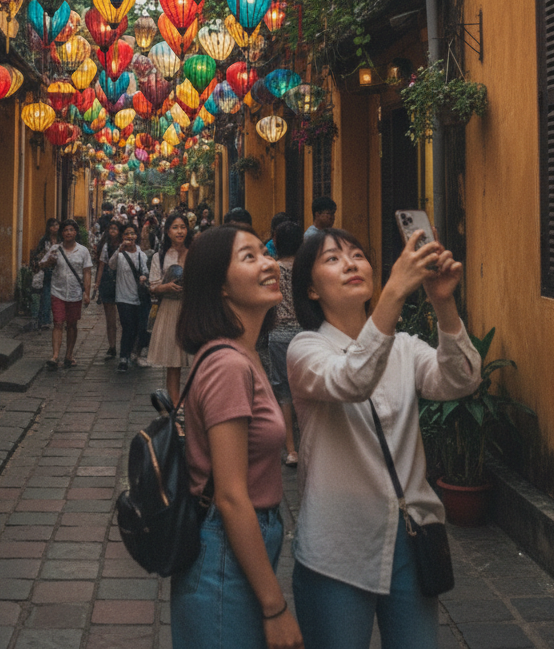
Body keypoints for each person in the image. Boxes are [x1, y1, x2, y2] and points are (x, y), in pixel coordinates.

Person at [287, 227, 481, 649]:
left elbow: (461, 379)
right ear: (312, 290)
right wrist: (395, 291)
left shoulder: (405, 348)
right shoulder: (305, 350)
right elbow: (352, 379)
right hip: (336, 548)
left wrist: (442, 302)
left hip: (410, 542)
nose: (351, 263)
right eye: (333, 259)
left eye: (357, 254)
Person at [171, 224, 304, 649]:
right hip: (223, 550)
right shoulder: (229, 365)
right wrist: (275, 607)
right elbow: (230, 496)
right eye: (249, 257)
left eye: (263, 253)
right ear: (221, 287)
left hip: (236, 546)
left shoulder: (243, 354)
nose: (268, 263)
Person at [267, 221, 303, 466]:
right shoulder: (306, 268)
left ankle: (291, 450)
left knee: (284, 393)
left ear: (276, 242)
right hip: (305, 333)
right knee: (306, 390)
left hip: (279, 334)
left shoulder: (272, 269)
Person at [147, 211, 193, 404]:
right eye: (175, 227)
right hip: (169, 309)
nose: (179, 231)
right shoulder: (160, 256)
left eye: (183, 227)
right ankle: (175, 406)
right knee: (173, 363)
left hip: (191, 310)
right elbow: (153, 284)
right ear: (167, 231)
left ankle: (193, 403)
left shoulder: (195, 252)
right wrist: (165, 287)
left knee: (195, 361)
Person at [39, 219, 91, 370]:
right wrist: (49, 260)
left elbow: (87, 272)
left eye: (71, 230)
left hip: (75, 292)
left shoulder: (83, 251)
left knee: (72, 324)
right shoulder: (55, 249)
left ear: (76, 232)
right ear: (62, 233)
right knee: (58, 322)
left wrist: (87, 293)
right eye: (66, 230)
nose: (68, 233)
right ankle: (55, 356)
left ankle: (69, 355)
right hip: (58, 291)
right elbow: (41, 264)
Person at [107, 222, 150, 372]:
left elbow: (145, 271)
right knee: (127, 327)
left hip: (138, 297)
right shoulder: (119, 254)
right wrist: (119, 250)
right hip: (123, 297)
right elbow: (111, 266)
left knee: (138, 328)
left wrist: (144, 277)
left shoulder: (141, 255)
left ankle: (134, 354)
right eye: (126, 234)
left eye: (132, 234)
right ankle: (123, 358)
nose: (129, 237)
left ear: (136, 236)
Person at [95, 221, 123, 359]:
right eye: (111, 227)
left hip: (123, 282)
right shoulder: (105, 246)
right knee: (110, 319)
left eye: (115, 228)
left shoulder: (124, 246)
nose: (113, 230)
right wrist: (97, 284)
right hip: (107, 283)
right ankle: (112, 346)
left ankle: (125, 346)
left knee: (124, 318)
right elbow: (101, 265)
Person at [30, 218, 60, 330]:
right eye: (52, 225)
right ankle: (45, 320)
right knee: (46, 295)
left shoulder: (61, 239)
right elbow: (38, 254)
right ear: (48, 228)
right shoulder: (44, 240)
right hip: (48, 269)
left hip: (60, 270)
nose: (55, 227)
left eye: (57, 225)